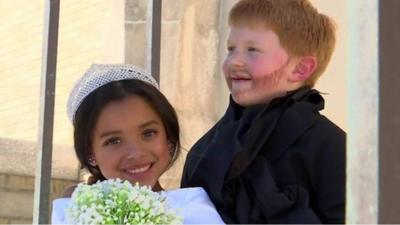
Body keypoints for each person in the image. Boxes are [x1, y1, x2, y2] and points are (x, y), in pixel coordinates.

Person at [181, 0, 345, 223]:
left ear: (300, 69)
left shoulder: (330, 147)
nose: (234, 61)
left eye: (252, 50)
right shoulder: (207, 149)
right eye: (231, 49)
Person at [51, 64, 224, 224]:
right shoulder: (74, 208)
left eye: (148, 133)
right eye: (114, 141)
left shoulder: (193, 207)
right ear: (91, 153)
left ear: (169, 139)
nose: (136, 152)